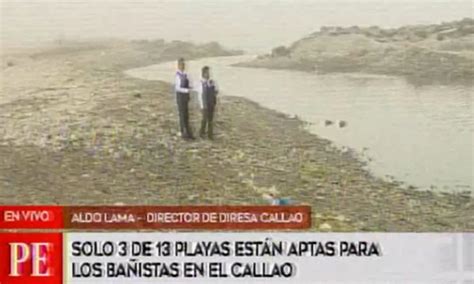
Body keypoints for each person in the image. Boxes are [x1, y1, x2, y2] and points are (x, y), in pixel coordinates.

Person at [197, 66, 219, 139]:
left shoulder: (212, 82)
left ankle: (210, 134)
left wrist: (214, 95)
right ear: (203, 73)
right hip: (205, 103)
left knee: (210, 119)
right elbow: (200, 95)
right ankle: (201, 132)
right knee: (204, 119)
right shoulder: (201, 83)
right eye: (207, 72)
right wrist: (202, 105)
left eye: (209, 72)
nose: (209, 74)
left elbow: (216, 90)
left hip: (211, 103)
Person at [175, 58, 194, 139]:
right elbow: (178, 88)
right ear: (178, 65)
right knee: (182, 115)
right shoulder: (177, 75)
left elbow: (187, 84)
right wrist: (187, 90)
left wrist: (190, 87)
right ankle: (183, 132)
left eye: (183, 65)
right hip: (180, 96)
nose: (183, 66)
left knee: (186, 115)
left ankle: (188, 132)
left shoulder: (185, 74)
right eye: (181, 65)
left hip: (185, 97)